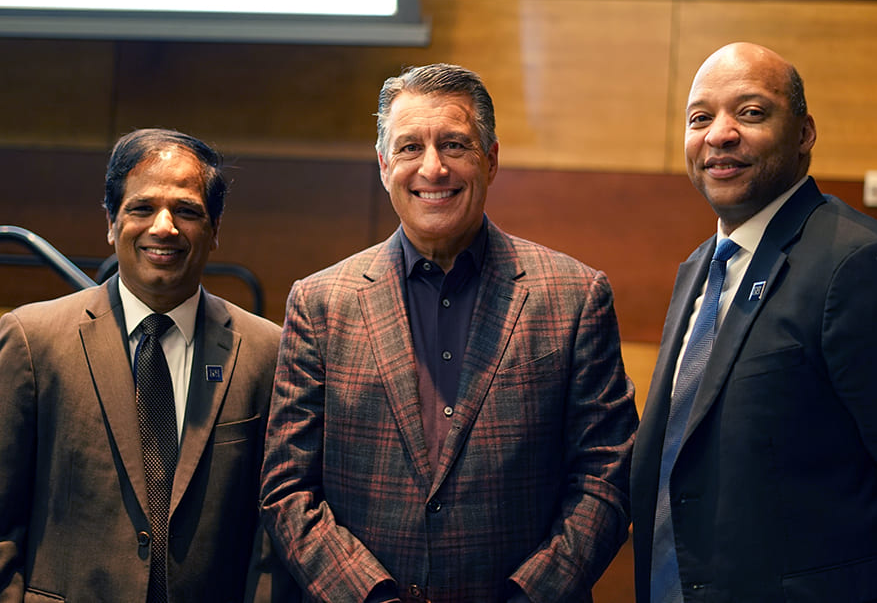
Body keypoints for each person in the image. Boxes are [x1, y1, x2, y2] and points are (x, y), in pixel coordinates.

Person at [260, 63, 638, 603]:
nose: (432, 168)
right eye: (410, 147)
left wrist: (529, 595)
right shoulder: (321, 303)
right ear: (384, 163)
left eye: (455, 145)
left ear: (491, 159)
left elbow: (608, 473)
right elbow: (287, 488)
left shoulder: (574, 296)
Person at [631, 42, 877, 603]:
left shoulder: (860, 263)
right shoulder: (698, 270)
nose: (719, 135)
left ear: (804, 132)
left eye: (750, 113)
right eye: (700, 118)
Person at [0, 128, 292, 602]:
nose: (164, 227)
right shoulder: (33, 341)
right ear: (112, 222)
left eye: (187, 211)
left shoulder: (267, 352)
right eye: (141, 207)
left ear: (214, 230)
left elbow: (268, 538)